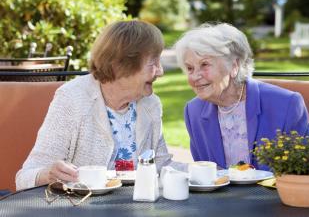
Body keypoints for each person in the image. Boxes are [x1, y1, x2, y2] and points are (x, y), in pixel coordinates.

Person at [16, 20, 184, 190]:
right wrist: (49, 174)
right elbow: (25, 177)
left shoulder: (150, 104)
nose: (161, 71)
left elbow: (162, 166)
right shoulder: (72, 99)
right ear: (121, 65)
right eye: (153, 62)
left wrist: (207, 173)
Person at [174, 23, 309, 170]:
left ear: (234, 66)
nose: (195, 76)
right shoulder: (193, 111)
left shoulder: (286, 104)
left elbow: (304, 170)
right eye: (190, 68)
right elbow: (205, 173)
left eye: (205, 64)